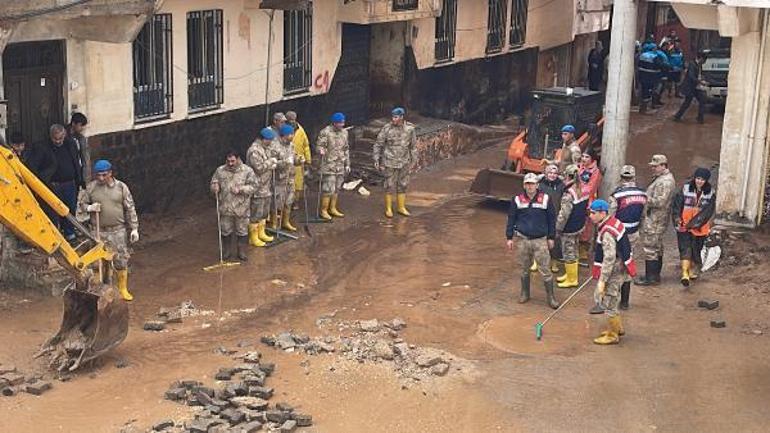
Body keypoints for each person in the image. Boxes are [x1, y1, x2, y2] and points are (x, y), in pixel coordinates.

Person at [77, 160, 139, 301]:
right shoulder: (91, 188)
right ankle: (102, 290)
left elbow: (130, 208)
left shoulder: (121, 188)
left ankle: (123, 288)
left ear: (110, 173)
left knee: (120, 259)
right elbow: (81, 205)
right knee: (98, 262)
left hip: (118, 231)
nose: (101, 178)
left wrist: (134, 228)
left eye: (104, 175)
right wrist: (89, 208)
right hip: (98, 232)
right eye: (98, 175)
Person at [505, 173, 559, 309]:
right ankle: (525, 293)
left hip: (540, 240)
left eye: (532, 183)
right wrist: (509, 237)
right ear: (524, 185)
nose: (530, 186)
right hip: (523, 239)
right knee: (524, 269)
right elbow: (511, 218)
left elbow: (552, 219)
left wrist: (551, 237)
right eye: (528, 184)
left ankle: (551, 298)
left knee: (545, 269)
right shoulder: (517, 199)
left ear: (537, 185)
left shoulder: (545, 199)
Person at [588, 199, 637, 345]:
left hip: (614, 271)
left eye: (593, 213)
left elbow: (609, 258)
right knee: (614, 300)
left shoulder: (607, 232)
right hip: (621, 266)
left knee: (609, 302)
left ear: (603, 213)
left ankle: (612, 335)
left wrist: (602, 280)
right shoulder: (614, 222)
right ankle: (618, 327)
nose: (590, 216)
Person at [608, 165, 647, 309]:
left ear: (621, 177)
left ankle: (614, 299)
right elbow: (644, 215)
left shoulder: (617, 195)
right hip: (634, 233)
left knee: (615, 266)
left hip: (619, 234)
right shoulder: (643, 194)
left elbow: (610, 217)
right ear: (634, 177)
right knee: (628, 264)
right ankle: (625, 302)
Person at [636, 154, 677, 286]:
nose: (653, 168)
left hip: (655, 219)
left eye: (655, 166)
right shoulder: (661, 179)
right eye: (652, 166)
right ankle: (654, 275)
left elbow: (661, 202)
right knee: (656, 247)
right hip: (655, 219)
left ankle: (651, 278)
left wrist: (644, 199)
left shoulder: (665, 182)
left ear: (663, 166)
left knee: (651, 248)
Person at [671, 167, 716, 287]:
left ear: (706, 181)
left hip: (700, 227)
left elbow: (708, 211)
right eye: (698, 178)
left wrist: (697, 224)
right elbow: (677, 206)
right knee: (685, 247)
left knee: (696, 248)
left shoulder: (710, 192)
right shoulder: (685, 189)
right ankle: (684, 273)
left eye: (702, 179)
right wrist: (677, 219)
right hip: (684, 224)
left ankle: (692, 269)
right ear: (694, 178)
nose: (699, 181)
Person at [210, 151, 257, 261]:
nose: (230, 163)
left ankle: (241, 251)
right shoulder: (220, 170)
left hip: (241, 208)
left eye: (233, 161)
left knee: (242, 230)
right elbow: (213, 182)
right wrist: (214, 187)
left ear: (238, 159)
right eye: (228, 161)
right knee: (225, 230)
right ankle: (227, 251)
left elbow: (254, 186)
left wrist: (241, 189)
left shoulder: (247, 171)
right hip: (225, 208)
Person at [373, 107, 417, 218]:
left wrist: (414, 160)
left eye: (396, 117)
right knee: (389, 185)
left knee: (403, 184)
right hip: (389, 161)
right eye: (392, 117)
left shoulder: (410, 129)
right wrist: (376, 159)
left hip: (404, 161)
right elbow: (378, 144)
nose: (393, 119)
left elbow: (413, 147)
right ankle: (388, 208)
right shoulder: (387, 128)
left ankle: (401, 207)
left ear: (402, 117)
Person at [44, 124, 84, 241]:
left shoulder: (70, 144)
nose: (57, 141)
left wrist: (79, 179)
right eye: (55, 139)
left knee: (70, 209)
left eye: (60, 138)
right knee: (54, 210)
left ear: (64, 135)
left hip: (70, 183)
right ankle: (56, 235)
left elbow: (77, 161)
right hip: (55, 184)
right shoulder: (45, 148)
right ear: (51, 137)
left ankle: (69, 232)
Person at [555, 164, 588, 289]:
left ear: (568, 176)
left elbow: (564, 214)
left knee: (568, 252)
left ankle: (572, 279)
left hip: (569, 228)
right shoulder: (583, 188)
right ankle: (569, 274)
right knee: (574, 250)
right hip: (578, 226)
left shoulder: (569, 194)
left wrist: (558, 228)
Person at [246, 128, 278, 247]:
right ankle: (253, 237)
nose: (270, 142)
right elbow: (258, 168)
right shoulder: (254, 150)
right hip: (257, 187)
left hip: (266, 186)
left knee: (264, 212)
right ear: (263, 139)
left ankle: (261, 232)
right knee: (256, 213)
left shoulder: (265, 149)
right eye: (269, 140)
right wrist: (270, 163)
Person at [316, 112, 350, 221]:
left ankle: (333, 208)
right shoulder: (325, 132)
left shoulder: (345, 133)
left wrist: (347, 163)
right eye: (340, 123)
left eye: (343, 122)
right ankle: (323, 210)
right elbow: (319, 146)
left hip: (340, 164)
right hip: (329, 164)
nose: (342, 125)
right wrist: (321, 150)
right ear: (334, 123)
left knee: (337, 187)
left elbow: (346, 149)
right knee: (328, 188)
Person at [538, 163, 565, 273]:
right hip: (542, 215)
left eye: (555, 173)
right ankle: (538, 261)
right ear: (546, 173)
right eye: (550, 173)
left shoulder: (561, 186)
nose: (552, 175)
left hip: (555, 215)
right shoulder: (540, 185)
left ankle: (554, 262)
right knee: (539, 239)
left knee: (555, 240)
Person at [578, 149, 602, 261]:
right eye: (583, 156)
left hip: (587, 202)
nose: (584, 159)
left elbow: (591, 188)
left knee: (586, 227)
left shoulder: (595, 172)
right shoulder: (580, 167)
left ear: (592, 158)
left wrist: (577, 191)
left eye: (587, 157)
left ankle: (583, 250)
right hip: (577, 199)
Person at [273, 123, 297, 232]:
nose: (292, 136)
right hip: (279, 179)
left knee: (289, 201)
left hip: (290, 177)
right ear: (284, 135)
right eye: (290, 134)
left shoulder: (291, 145)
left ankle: (286, 222)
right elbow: (273, 163)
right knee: (278, 203)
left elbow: (294, 157)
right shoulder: (275, 146)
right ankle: (275, 224)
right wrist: (284, 162)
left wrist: (298, 160)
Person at [673, 51, 708, 124]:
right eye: (704, 60)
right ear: (701, 58)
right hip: (690, 86)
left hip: (695, 87)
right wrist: (700, 82)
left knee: (702, 99)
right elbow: (691, 76)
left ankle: (700, 118)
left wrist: (702, 80)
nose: (704, 62)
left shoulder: (698, 65)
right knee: (688, 102)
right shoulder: (692, 64)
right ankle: (677, 116)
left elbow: (699, 74)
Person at [286, 111, 311, 210]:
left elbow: (306, 146)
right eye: (290, 120)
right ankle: (286, 204)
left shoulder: (300, 130)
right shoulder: (283, 131)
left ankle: (295, 202)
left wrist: (308, 159)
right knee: (288, 184)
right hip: (287, 161)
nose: (292, 122)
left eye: (293, 119)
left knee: (298, 184)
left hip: (299, 161)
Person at [637, 42, 663, 114]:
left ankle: (642, 108)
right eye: (655, 48)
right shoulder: (654, 56)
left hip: (642, 76)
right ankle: (644, 109)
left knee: (644, 92)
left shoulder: (642, 55)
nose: (656, 49)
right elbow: (660, 65)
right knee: (648, 93)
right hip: (651, 77)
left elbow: (639, 64)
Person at [67, 112, 91, 182]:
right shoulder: (64, 136)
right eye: (80, 125)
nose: (82, 128)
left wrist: (86, 178)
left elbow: (85, 158)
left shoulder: (81, 138)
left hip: (79, 171)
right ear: (73, 124)